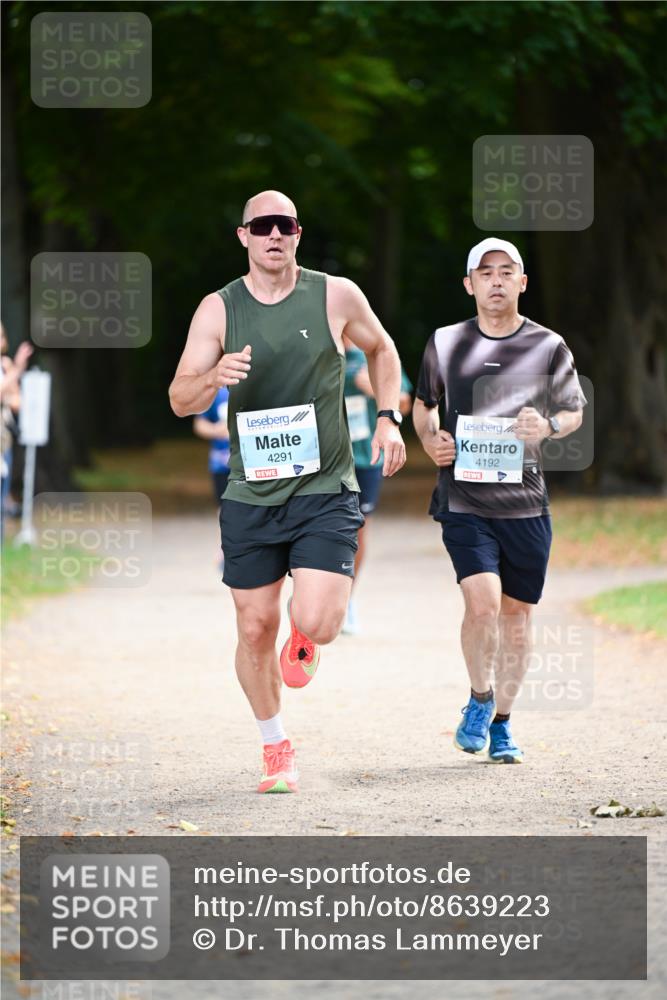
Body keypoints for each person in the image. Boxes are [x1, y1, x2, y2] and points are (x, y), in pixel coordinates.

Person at [169, 190, 406, 793]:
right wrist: (211, 378)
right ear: (243, 236)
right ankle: (276, 746)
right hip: (251, 492)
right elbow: (179, 397)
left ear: (298, 234)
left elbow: (382, 348)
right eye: (262, 226)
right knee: (253, 629)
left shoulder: (335, 295)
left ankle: (306, 637)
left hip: (325, 486)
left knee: (321, 620)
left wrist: (387, 417)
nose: (275, 235)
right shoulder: (218, 310)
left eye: (286, 225)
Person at [413, 237, 586, 764]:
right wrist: (430, 440)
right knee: (482, 603)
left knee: (516, 617)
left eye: (505, 271)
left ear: (522, 282)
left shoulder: (549, 346)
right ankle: (479, 699)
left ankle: (504, 724)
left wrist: (549, 425)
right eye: (484, 272)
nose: (495, 280)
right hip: (464, 500)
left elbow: (573, 410)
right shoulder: (445, 343)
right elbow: (423, 407)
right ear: (469, 284)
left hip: (526, 505)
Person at [342, 334, 413, 634]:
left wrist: (374, 389)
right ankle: (316, 595)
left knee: (358, 528)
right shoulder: (315, 349)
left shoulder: (376, 352)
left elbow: (406, 403)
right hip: (321, 460)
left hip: (364, 458)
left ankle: (346, 600)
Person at [0, 325, 33, 540]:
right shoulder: (12, 369)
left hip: (3, 442)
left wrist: (13, 373)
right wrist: (18, 370)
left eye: (2, 334)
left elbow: (17, 402)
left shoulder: (5, 366)